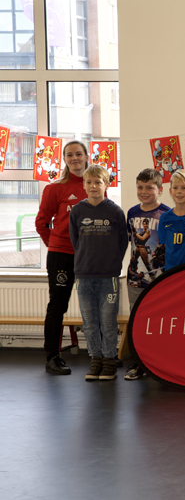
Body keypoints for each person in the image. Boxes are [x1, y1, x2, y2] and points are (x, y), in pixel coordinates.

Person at [35, 140, 90, 375]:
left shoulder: (95, 185)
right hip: (61, 255)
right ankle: (52, 357)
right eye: (69, 155)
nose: (74, 158)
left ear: (86, 156)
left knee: (94, 305)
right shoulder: (54, 188)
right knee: (58, 305)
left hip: (88, 256)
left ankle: (102, 355)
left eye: (78, 154)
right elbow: (41, 223)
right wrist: (55, 244)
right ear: (65, 159)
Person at [68, 166, 127, 381]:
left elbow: (122, 242)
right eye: (89, 182)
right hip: (84, 275)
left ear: (107, 185)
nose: (93, 186)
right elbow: (75, 241)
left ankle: (109, 360)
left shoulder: (115, 211)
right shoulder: (77, 211)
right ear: (84, 185)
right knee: (90, 321)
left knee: (108, 321)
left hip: (108, 276)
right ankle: (95, 359)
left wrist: (112, 264)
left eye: (98, 182)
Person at [124, 168, 171, 380]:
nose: (144, 191)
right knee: (137, 319)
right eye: (140, 187)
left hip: (160, 277)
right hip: (135, 277)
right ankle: (138, 362)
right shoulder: (132, 212)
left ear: (160, 189)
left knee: (160, 319)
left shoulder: (167, 214)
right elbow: (131, 241)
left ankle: (159, 361)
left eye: (149, 187)